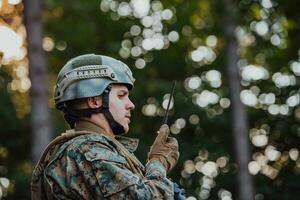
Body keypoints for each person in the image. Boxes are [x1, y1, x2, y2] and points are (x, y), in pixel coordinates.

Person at [31, 54, 184, 199]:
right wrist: (158, 161)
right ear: (94, 100)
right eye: (121, 95)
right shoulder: (85, 151)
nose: (130, 105)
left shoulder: (95, 149)